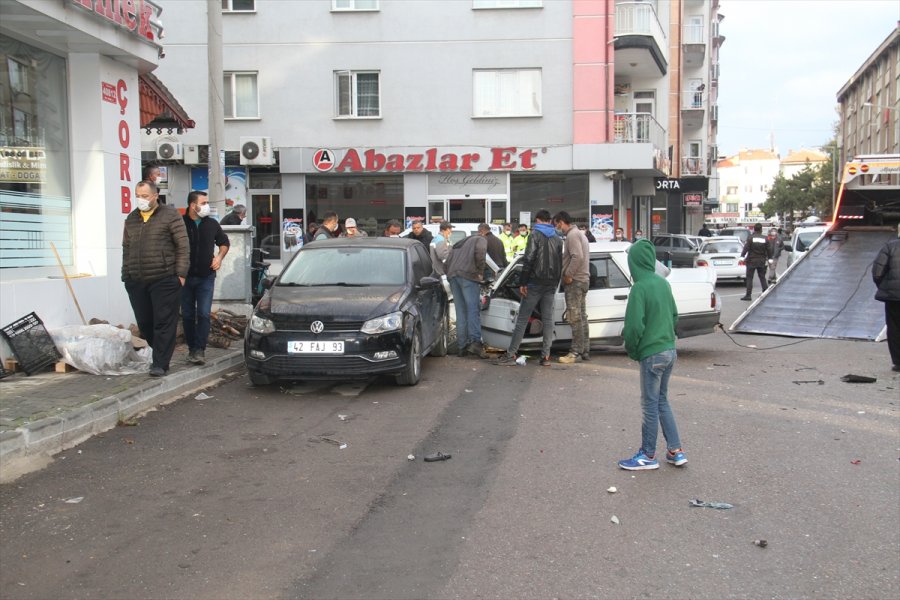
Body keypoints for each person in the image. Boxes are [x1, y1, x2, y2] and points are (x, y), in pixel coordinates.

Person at [617, 238, 687, 470]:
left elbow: (634, 327)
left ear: (634, 263)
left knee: (649, 405)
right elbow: (675, 316)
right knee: (662, 402)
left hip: (652, 354)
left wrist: (634, 350)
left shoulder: (639, 287)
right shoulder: (662, 283)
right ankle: (676, 451)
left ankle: (647, 455)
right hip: (669, 350)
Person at [121, 180, 189, 377]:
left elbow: (183, 246)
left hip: (164, 278)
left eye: (145, 196)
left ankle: (160, 363)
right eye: (138, 196)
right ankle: (158, 353)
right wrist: (126, 275)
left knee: (164, 322)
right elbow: (126, 248)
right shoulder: (132, 218)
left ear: (155, 196)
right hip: (136, 280)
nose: (141, 200)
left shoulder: (170, 215)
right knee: (145, 322)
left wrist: (181, 274)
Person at [494, 210, 563, 367]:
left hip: (534, 283)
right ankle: (545, 356)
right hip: (550, 283)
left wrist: (523, 283)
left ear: (538, 220)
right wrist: (555, 282)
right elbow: (560, 263)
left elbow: (529, 259)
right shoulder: (557, 238)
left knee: (522, 319)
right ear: (550, 220)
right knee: (547, 319)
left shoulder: (535, 235)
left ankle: (511, 355)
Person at [182, 191, 230, 365]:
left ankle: (200, 350)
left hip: (206, 277)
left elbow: (224, 242)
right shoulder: (180, 223)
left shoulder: (211, 224)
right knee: (187, 315)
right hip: (184, 277)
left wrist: (219, 257)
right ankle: (191, 348)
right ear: (192, 205)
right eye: (203, 203)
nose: (206, 206)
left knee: (203, 313)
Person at [445, 225, 489, 359]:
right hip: (468, 277)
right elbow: (481, 253)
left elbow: (446, 264)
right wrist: (480, 272)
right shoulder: (481, 239)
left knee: (461, 312)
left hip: (453, 277)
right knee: (473, 310)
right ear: (483, 233)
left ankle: (461, 347)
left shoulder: (459, 244)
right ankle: (475, 343)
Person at [554, 211, 591, 363]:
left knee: (575, 318)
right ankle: (584, 350)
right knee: (581, 317)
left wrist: (568, 274)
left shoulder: (572, 235)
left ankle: (575, 352)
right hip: (582, 280)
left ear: (562, 222)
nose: (557, 228)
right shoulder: (580, 233)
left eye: (557, 224)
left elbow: (577, 256)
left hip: (575, 281)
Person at [872, 223, 900, 371]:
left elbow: (877, 272)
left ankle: (898, 362)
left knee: (894, 327)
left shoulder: (890, 247)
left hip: (893, 297)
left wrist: (885, 287)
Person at [740, 223, 772, 301]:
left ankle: (748, 295)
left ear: (754, 229)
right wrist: (770, 258)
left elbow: (746, 248)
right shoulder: (765, 238)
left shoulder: (751, 238)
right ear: (761, 229)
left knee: (750, 278)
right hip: (761, 260)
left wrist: (742, 256)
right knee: (762, 277)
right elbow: (769, 249)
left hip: (751, 260)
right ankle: (765, 291)